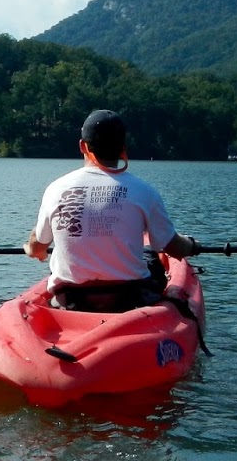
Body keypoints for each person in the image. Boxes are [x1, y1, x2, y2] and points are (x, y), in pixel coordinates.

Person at [24, 109, 200, 311]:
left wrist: (31, 249)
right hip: (129, 300)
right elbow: (173, 247)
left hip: (73, 301)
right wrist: (192, 244)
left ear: (83, 146)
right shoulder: (145, 191)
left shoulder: (56, 189)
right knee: (151, 257)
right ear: (123, 148)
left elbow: (37, 248)